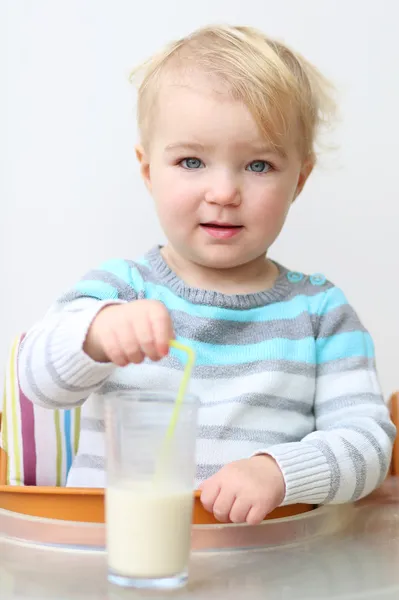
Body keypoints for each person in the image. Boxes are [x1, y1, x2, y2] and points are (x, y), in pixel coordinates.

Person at [18, 25, 395, 525]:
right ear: (149, 170)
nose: (223, 191)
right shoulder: (118, 291)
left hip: (260, 568)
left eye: (258, 165)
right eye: (191, 161)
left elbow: (369, 445)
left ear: (298, 181)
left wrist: (280, 472)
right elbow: (36, 383)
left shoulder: (321, 314)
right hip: (115, 563)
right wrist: (95, 335)